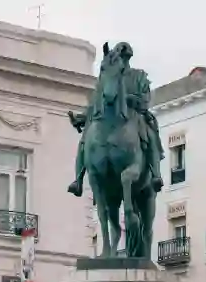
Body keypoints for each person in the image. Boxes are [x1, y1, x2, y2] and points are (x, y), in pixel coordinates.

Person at [67, 41, 164, 196]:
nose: (122, 60)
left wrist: (129, 99)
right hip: (106, 117)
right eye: (119, 57)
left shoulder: (138, 76)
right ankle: (78, 179)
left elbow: (145, 99)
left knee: (150, 133)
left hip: (133, 115)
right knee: (85, 139)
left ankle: (155, 174)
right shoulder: (108, 76)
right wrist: (83, 117)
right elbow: (97, 101)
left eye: (124, 57)